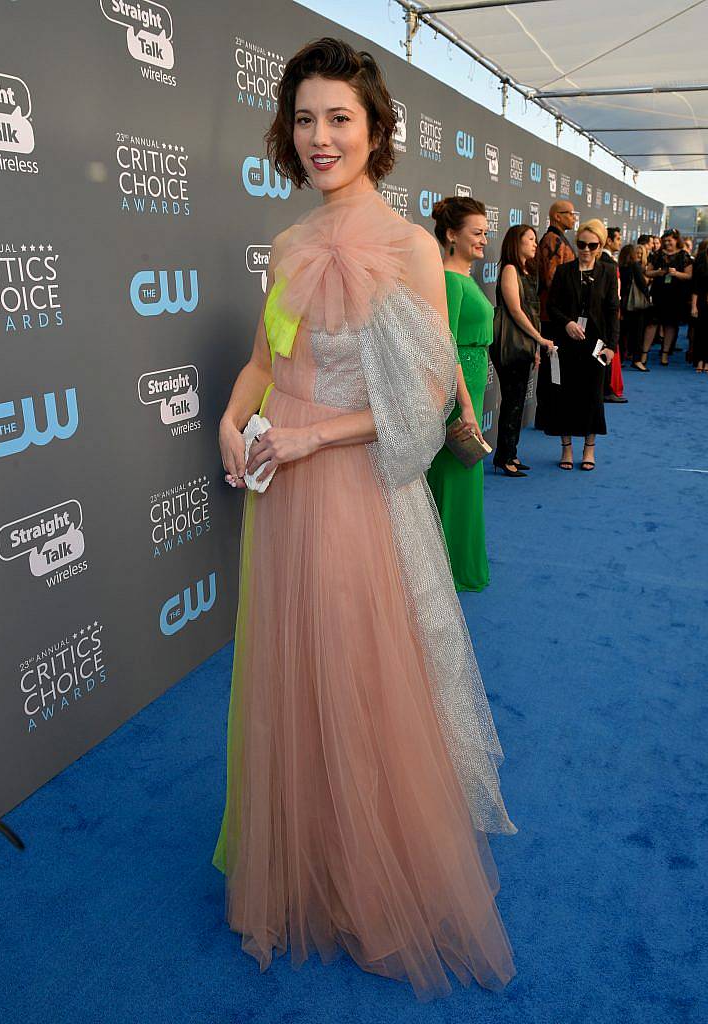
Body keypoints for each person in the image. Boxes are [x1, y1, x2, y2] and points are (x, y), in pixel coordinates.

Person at [211, 37, 516, 1002]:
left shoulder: (408, 249)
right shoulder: (289, 244)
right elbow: (267, 360)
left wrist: (309, 438)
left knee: (357, 672)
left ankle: (371, 879)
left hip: (348, 486)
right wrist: (232, 416)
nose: (319, 137)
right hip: (281, 489)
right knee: (291, 669)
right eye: (303, 118)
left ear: (376, 130)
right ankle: (302, 857)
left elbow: (427, 400)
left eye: (339, 117)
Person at [427, 196, 491, 592]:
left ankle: (454, 562)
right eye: (477, 232)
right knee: (456, 475)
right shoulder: (449, 280)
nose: (484, 239)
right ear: (452, 235)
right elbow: (444, 345)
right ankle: (446, 570)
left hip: (472, 380)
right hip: (457, 392)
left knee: (465, 475)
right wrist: (464, 404)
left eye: (486, 232)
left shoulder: (464, 277)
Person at [540, 219, 619, 471]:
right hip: (566, 342)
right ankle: (566, 449)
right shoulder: (565, 271)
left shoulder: (608, 272)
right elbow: (552, 306)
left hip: (596, 345)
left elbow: (612, 312)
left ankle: (589, 448)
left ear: (600, 245)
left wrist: (612, 347)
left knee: (592, 396)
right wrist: (567, 323)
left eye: (591, 245)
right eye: (581, 244)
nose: (585, 249)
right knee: (563, 394)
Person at [491, 224, 555, 476]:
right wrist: (540, 339)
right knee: (512, 402)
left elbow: (532, 312)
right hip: (511, 344)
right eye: (530, 239)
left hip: (524, 344)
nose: (535, 244)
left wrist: (536, 348)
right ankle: (504, 457)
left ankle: (510, 454)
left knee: (516, 401)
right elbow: (515, 311)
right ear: (515, 243)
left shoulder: (526, 272)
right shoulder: (509, 270)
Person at [535, 201, 576, 428]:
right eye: (570, 214)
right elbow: (552, 281)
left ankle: (551, 414)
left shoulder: (559, 239)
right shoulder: (552, 240)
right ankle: (548, 416)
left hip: (557, 316)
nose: (573, 217)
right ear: (557, 217)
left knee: (555, 367)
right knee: (553, 367)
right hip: (551, 317)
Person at [644, 229, 693, 365]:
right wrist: (658, 272)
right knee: (652, 323)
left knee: (670, 325)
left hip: (676, 295)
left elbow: (689, 275)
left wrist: (677, 273)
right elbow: (648, 272)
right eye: (664, 240)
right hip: (658, 293)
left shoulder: (683, 255)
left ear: (677, 240)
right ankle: (644, 354)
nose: (667, 243)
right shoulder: (657, 254)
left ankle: (665, 355)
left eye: (669, 240)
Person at [600, 230, 626, 402]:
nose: (619, 242)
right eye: (617, 239)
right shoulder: (606, 262)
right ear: (608, 240)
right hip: (604, 314)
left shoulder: (610, 261)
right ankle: (606, 389)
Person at [618, 244, 651, 371]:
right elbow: (642, 284)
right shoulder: (635, 266)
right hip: (635, 305)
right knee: (637, 333)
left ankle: (620, 359)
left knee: (622, 333)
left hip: (623, 303)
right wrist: (648, 298)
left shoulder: (619, 266)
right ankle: (636, 360)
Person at [690, 239, 708, 372]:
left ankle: (707, 362)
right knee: (701, 332)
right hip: (702, 302)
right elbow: (696, 287)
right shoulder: (702, 262)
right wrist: (694, 306)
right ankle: (700, 361)